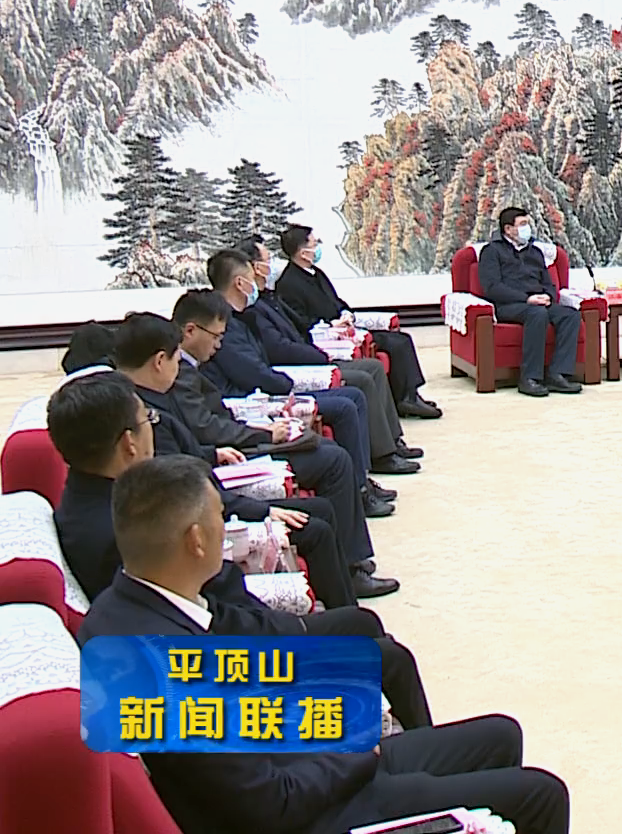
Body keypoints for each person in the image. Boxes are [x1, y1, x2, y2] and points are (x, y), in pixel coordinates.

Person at [77, 455, 566, 834]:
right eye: (221, 517)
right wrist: (358, 754)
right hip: (315, 811)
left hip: (303, 759)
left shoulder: (132, 603)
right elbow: (272, 803)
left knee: (501, 734)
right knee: (541, 794)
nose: (228, 528)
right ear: (196, 541)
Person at [49, 377, 431, 738]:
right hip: (229, 655)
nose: (154, 427)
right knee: (385, 653)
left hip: (229, 623)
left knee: (362, 624)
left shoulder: (96, 498)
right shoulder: (119, 522)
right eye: (148, 419)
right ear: (129, 442)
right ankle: (411, 752)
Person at [108, 313, 397, 603]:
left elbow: (183, 451)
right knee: (317, 520)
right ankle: (344, 607)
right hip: (203, 503)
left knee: (322, 502)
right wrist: (262, 511)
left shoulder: (148, 397)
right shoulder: (141, 414)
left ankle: (347, 581)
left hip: (211, 476)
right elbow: (177, 477)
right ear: (160, 361)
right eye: (175, 359)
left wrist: (212, 453)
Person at [171, 288, 396, 517]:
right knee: (334, 457)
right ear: (190, 331)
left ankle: (362, 486)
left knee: (328, 444)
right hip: (232, 437)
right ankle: (358, 497)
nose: (219, 344)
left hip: (241, 422)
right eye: (215, 337)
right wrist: (264, 432)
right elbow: (207, 425)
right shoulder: (178, 371)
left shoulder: (257, 310)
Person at [201, 249, 404, 481]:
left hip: (273, 382)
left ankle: (369, 472)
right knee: (347, 403)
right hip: (256, 396)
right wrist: (290, 382)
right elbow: (254, 370)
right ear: (240, 282)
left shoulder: (251, 310)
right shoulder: (226, 323)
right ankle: (361, 483)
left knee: (355, 391)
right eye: (252, 275)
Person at [239, 237, 423, 473]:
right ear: (255, 268)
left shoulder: (271, 297)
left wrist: (340, 319)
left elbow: (301, 327)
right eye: (269, 259)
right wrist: (320, 356)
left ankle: (392, 442)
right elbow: (279, 348)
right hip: (298, 366)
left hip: (313, 353)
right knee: (363, 379)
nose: (274, 263)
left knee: (373, 367)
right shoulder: (256, 307)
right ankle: (381, 456)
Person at [273, 224, 440, 419]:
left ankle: (410, 394)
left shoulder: (316, 273)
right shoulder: (288, 283)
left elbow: (335, 301)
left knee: (401, 339)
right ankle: (405, 399)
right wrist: (330, 324)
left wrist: (345, 313)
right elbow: (299, 320)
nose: (318, 247)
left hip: (345, 327)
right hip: (329, 335)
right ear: (303, 253)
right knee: (395, 344)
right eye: (314, 244)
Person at [476, 207, 583, 398]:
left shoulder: (534, 252)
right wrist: (526, 299)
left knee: (570, 315)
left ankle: (558, 373)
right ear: (508, 229)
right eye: (522, 224)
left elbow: (548, 283)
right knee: (537, 314)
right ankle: (529, 378)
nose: (528, 228)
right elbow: (492, 287)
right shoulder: (492, 251)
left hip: (539, 301)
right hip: (509, 305)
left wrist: (548, 296)